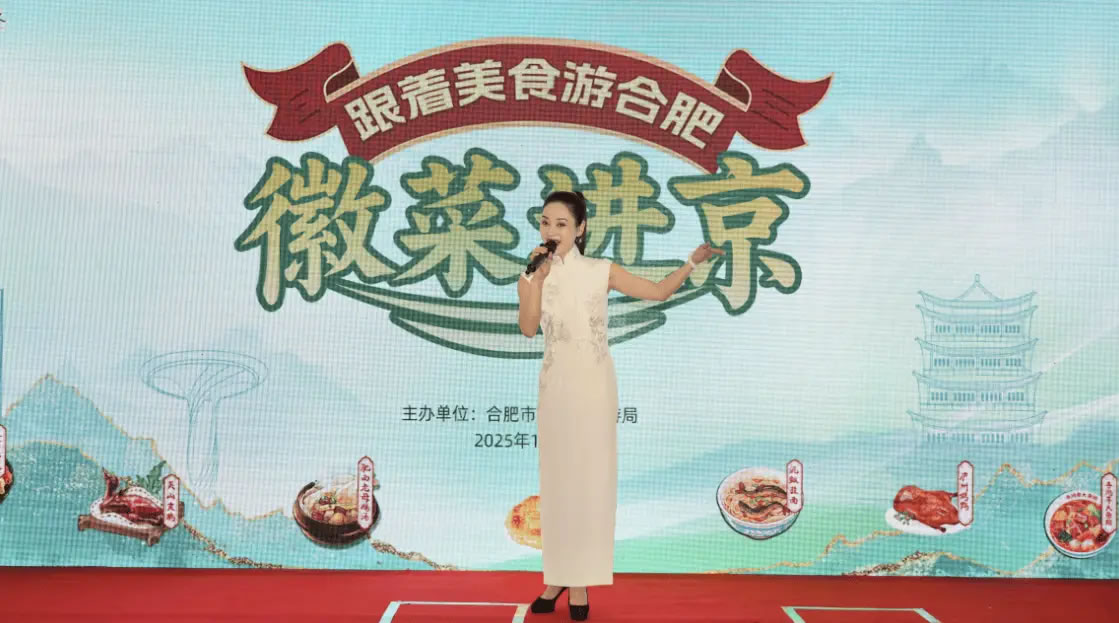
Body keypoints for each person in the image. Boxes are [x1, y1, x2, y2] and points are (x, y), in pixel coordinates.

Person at [516, 190, 723, 620]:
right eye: (545, 222)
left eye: (561, 224)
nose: (551, 230)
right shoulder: (532, 275)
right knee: (557, 484)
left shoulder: (600, 270)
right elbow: (529, 328)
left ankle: (579, 582)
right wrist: (534, 280)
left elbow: (658, 292)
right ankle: (557, 576)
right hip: (555, 388)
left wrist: (691, 262)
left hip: (594, 387)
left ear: (580, 228)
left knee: (590, 483)